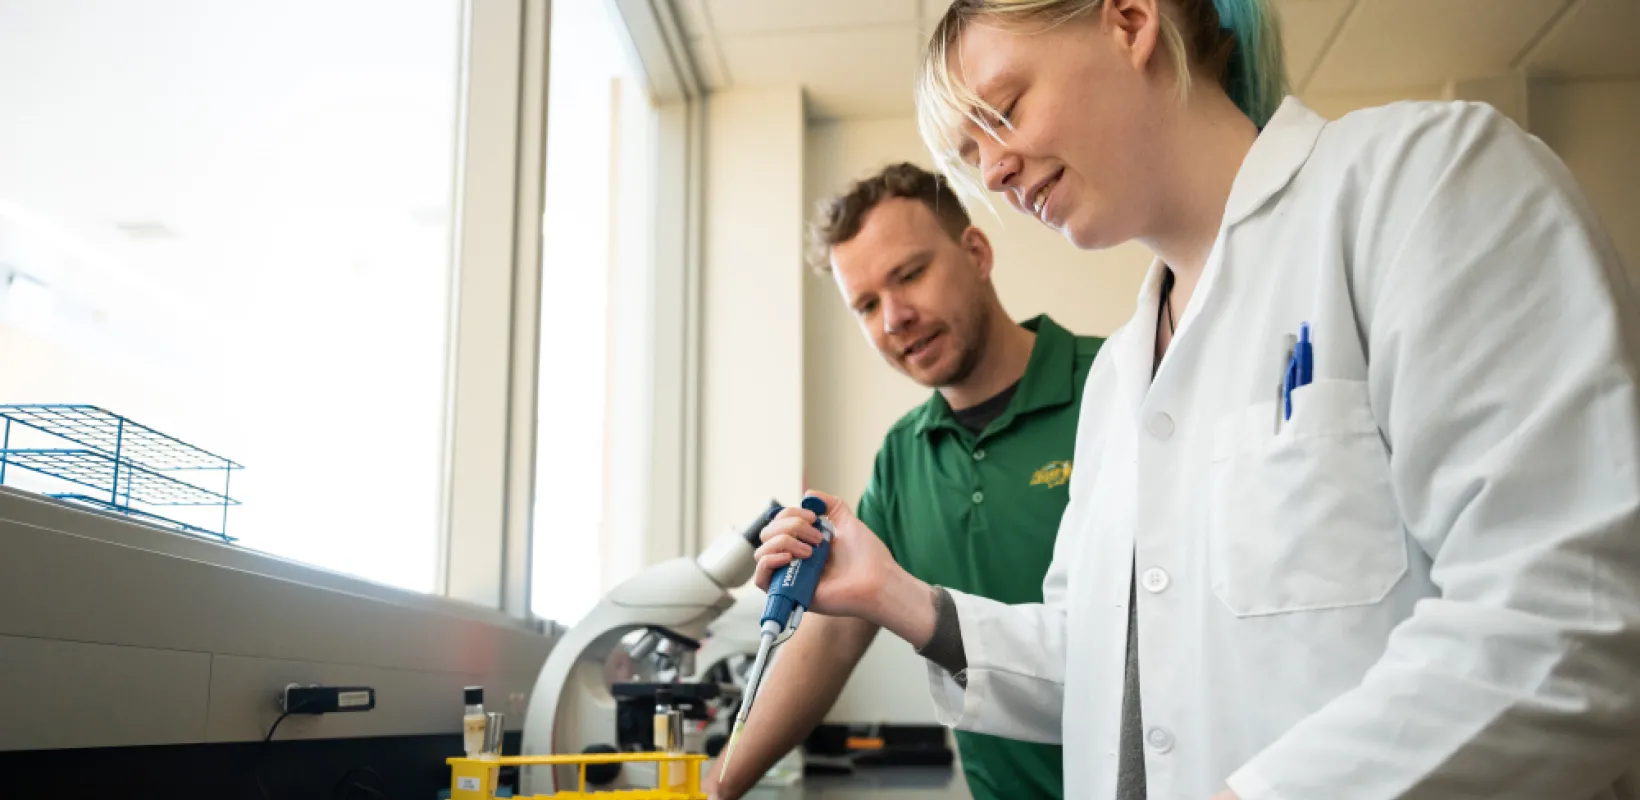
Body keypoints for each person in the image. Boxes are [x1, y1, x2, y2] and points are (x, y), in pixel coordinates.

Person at [754, 0, 1640, 798]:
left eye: (1003, 112)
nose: (995, 171)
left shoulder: (1418, 184)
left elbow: (1573, 618)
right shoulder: (1119, 380)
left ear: (1130, 21)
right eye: (972, 154)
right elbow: (1103, 667)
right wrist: (892, 595)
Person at [708, 162, 1104, 800]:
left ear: (975, 252)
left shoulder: (1116, 385)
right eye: (866, 305)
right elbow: (834, 636)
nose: (893, 318)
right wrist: (715, 788)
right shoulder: (902, 456)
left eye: (910, 275)